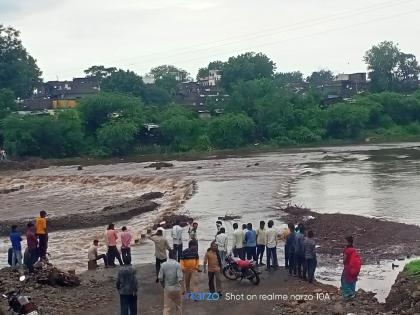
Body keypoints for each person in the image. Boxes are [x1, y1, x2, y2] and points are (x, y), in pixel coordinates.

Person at [159, 249, 183, 315]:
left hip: (168, 288)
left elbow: (160, 278)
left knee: (167, 307)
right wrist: (182, 288)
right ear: (175, 256)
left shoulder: (163, 265)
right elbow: (180, 278)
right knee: (178, 307)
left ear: (169, 255)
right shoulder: (178, 265)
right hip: (177, 288)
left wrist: (163, 286)